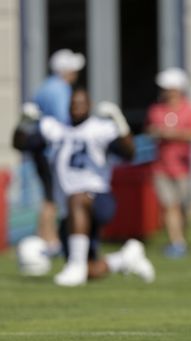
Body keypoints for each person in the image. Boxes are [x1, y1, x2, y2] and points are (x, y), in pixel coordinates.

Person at [13, 87, 155, 286]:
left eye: (81, 103)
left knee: (77, 198)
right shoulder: (56, 129)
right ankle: (124, 259)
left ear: (89, 105)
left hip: (99, 199)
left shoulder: (100, 128)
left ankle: (76, 265)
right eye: (73, 104)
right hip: (69, 211)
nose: (76, 108)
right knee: (89, 269)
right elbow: (20, 145)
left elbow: (129, 153)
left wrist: (119, 119)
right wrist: (24, 122)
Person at [28, 49, 86, 256]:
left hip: (41, 147)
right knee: (52, 197)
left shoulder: (45, 86)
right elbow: (64, 120)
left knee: (49, 195)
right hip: (51, 149)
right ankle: (49, 240)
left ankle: (44, 237)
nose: (76, 73)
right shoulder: (60, 89)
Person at [145, 67, 191, 258]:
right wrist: (159, 132)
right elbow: (151, 129)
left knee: (182, 206)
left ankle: (180, 239)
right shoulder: (156, 108)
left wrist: (173, 134)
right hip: (161, 167)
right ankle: (176, 242)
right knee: (170, 206)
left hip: (183, 167)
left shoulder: (188, 109)